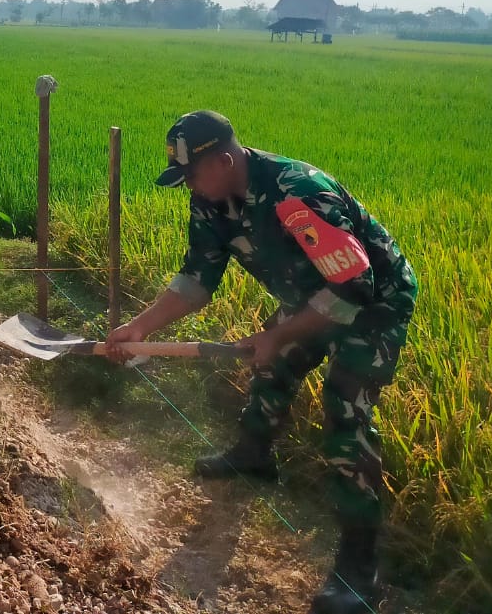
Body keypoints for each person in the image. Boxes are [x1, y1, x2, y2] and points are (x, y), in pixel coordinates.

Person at [104, 111, 416, 614]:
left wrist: (278, 333)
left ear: (225, 160)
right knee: (272, 366)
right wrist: (141, 327)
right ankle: (254, 454)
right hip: (312, 293)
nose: (188, 188)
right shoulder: (210, 202)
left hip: (374, 302)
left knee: (344, 409)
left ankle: (360, 566)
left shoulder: (298, 193)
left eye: (192, 175)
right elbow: (197, 279)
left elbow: (354, 290)